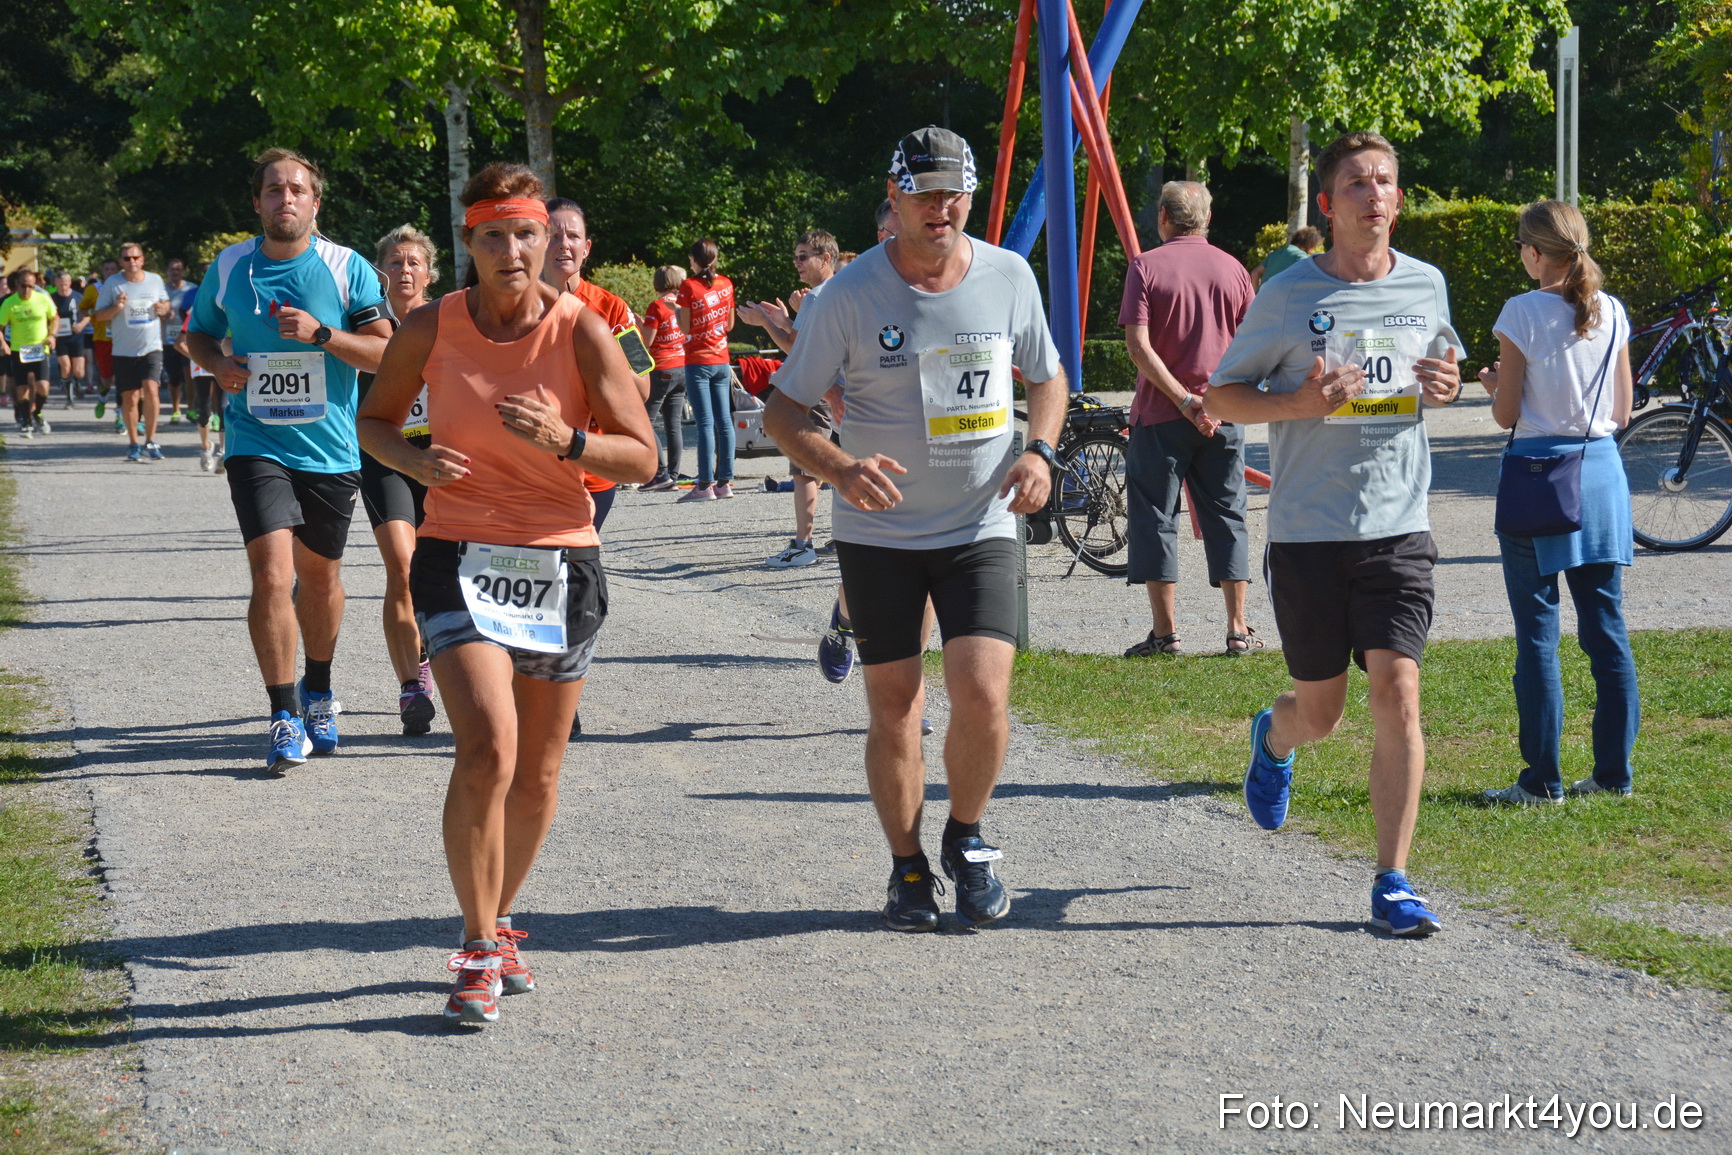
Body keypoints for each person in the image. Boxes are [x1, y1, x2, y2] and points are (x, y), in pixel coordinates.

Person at [357, 162, 656, 1025]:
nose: (513, 250)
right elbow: (374, 421)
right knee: (487, 744)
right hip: (457, 550)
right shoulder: (431, 325)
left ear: (545, 240)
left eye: (526, 233)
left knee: (538, 769)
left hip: (561, 558)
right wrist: (411, 460)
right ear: (472, 243)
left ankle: (501, 916)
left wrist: (569, 440)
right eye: (494, 235)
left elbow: (643, 457)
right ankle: (479, 944)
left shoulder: (582, 330)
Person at [764, 125, 1066, 932]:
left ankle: (966, 837)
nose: (943, 208)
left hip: (982, 521)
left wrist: (1039, 450)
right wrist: (838, 469)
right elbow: (784, 410)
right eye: (926, 193)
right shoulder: (846, 296)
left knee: (982, 688)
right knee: (895, 703)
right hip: (881, 533)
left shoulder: (1007, 275)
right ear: (892, 197)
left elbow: (1048, 375)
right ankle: (906, 866)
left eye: (956, 193)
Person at [1205, 131, 1464, 939]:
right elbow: (1224, 395)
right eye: (1358, 182)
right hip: (1310, 532)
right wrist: (1299, 406)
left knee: (1400, 691)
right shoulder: (1286, 296)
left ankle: (1392, 879)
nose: (1377, 194)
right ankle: (1274, 737)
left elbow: (1442, 369)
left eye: (1386, 181)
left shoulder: (1426, 284)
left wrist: (1449, 385)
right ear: (1329, 203)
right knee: (1322, 714)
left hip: (1398, 525)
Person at [185, 148, 393, 771]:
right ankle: (281, 714)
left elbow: (388, 354)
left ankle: (319, 690)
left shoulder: (346, 266)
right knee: (273, 576)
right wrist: (217, 363)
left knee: (321, 578)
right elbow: (197, 332)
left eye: (297, 190)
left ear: (315, 202)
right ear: (257, 203)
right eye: (273, 190)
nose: (285, 199)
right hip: (255, 440)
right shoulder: (229, 266)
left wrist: (323, 335)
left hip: (330, 448)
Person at [1475, 201, 1638, 804]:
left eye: (1522, 246)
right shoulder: (1613, 310)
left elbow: (1507, 414)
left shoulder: (1521, 311)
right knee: (1606, 627)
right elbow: (1621, 413)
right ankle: (1613, 774)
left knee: (1538, 634)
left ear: (1536, 253)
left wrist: (1495, 387)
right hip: (1600, 473)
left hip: (1539, 475)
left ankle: (1542, 779)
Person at [1119, 181, 1259, 657]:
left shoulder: (1145, 267)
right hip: (1224, 416)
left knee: (1156, 518)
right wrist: (1213, 402)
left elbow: (1139, 346)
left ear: (1163, 217)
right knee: (1229, 515)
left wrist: (1183, 401)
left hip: (1161, 414)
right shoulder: (1234, 269)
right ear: (1207, 220)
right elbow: (1254, 344)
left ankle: (1165, 634)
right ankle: (1238, 628)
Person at [361, 225, 442, 735]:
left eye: (413, 262)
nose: (405, 270)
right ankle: (412, 686)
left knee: (450, 569)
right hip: (386, 454)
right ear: (380, 272)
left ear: (429, 273)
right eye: (395, 262)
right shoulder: (365, 325)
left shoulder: (449, 320)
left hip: (440, 455)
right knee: (402, 567)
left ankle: (435, 647)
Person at [543, 198, 648, 529]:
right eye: (552, 235)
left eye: (573, 237)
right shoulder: (513, 306)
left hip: (591, 468)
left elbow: (642, 384)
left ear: (586, 248)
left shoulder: (613, 309)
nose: (564, 244)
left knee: (576, 567)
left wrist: (596, 352)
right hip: (529, 466)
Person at [740, 229, 841, 568]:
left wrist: (765, 322)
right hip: (840, 390)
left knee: (804, 470)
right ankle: (848, 537)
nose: (796, 263)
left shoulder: (816, 297)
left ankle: (803, 545)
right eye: (795, 256)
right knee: (841, 465)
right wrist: (781, 320)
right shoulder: (840, 291)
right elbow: (801, 338)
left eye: (803, 256)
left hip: (819, 391)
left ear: (825, 258)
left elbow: (796, 348)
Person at [93, 243, 172, 461]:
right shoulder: (113, 283)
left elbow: (166, 306)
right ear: (121, 262)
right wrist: (117, 307)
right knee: (130, 397)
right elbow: (99, 315)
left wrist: (164, 309)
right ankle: (134, 444)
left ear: (142, 259)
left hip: (151, 347)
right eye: (127, 259)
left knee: (151, 390)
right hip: (124, 350)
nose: (132, 262)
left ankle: (151, 439)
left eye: (135, 257)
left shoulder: (155, 280)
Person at [676, 238, 736, 500]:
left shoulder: (688, 286)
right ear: (716, 259)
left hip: (698, 361)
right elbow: (730, 324)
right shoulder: (726, 283)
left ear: (693, 260)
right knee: (724, 421)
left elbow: (686, 328)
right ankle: (725, 482)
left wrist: (676, 313)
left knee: (704, 424)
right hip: (722, 359)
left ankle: (704, 485)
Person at [638, 265, 686, 490]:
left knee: (645, 421)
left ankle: (660, 474)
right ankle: (674, 476)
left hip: (662, 368)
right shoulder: (682, 305)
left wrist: (639, 324)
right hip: (683, 366)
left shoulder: (656, 307)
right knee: (673, 424)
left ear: (656, 282)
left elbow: (647, 342)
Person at [0, 269, 60, 436]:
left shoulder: (43, 299)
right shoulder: (9, 303)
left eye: (31, 286)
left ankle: (37, 412)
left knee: (43, 387)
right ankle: (26, 422)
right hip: (19, 350)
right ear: (17, 285)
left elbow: (55, 318)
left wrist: (52, 335)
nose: (27, 290)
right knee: (21, 389)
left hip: (40, 348)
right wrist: (3, 343)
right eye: (23, 286)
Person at [174, 313, 225, 472]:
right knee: (203, 409)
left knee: (224, 408)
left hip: (223, 365)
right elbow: (179, 343)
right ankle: (206, 448)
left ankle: (223, 452)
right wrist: (198, 356)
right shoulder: (196, 313)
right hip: (201, 369)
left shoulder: (228, 311)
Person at [161, 258, 199, 423]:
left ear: (182, 271)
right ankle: (176, 410)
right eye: (172, 270)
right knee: (174, 378)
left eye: (178, 269)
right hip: (167, 339)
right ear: (167, 271)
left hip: (187, 340)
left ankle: (190, 408)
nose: (175, 273)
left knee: (189, 375)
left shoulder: (192, 289)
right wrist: (163, 315)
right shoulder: (161, 290)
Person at [84, 259, 120, 428]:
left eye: (113, 269)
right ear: (102, 271)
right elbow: (82, 309)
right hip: (101, 338)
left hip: (123, 338)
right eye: (107, 269)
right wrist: (95, 313)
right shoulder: (93, 289)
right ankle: (103, 397)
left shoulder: (124, 287)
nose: (110, 272)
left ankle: (120, 414)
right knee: (107, 378)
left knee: (122, 378)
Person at [51, 271, 89, 405]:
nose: (63, 287)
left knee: (79, 371)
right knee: (66, 367)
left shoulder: (78, 297)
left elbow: (88, 314)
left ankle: (77, 383)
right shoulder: (51, 299)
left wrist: (81, 325)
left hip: (76, 337)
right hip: (60, 337)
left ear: (70, 283)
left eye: (65, 284)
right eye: (60, 284)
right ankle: (69, 397)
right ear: (55, 283)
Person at [1251, 225, 1324, 291]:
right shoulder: (1300, 256)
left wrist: (1256, 293)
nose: (1311, 251)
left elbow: (1255, 272)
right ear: (1309, 244)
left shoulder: (1276, 253)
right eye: (1313, 248)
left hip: (1263, 297)